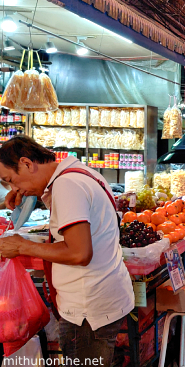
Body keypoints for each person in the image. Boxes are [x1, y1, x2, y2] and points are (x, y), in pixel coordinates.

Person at [0, 136, 133, 365]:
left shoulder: (67, 185)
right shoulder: (77, 174)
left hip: (87, 312)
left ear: (27, 163)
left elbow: (79, 253)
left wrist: (23, 245)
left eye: (11, 180)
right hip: (101, 300)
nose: (14, 188)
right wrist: (25, 194)